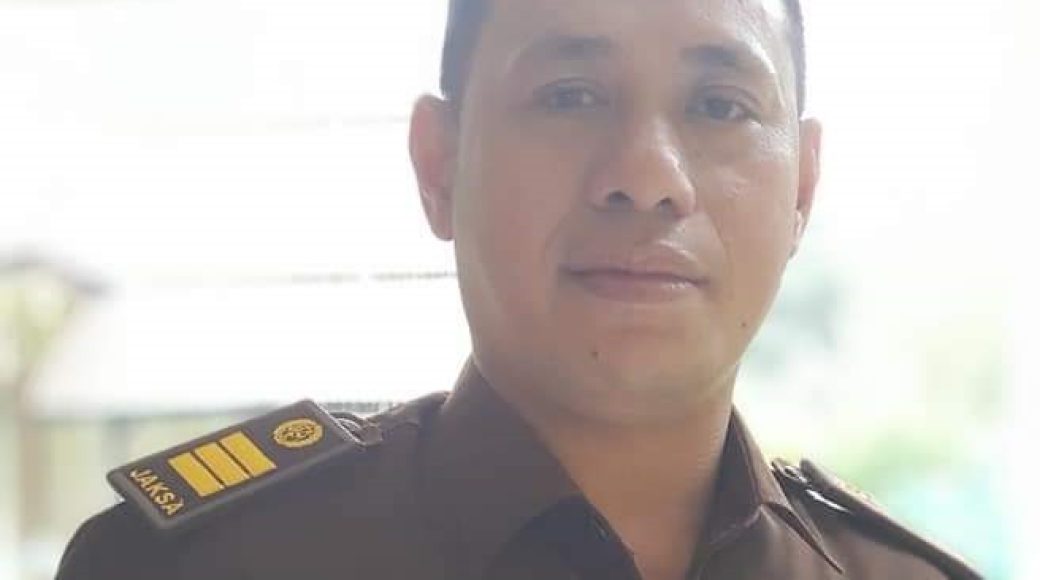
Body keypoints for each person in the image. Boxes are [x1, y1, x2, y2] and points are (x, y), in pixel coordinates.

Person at [56, 0, 983, 578]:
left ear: (803, 190)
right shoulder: (197, 564)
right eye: (570, 94)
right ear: (438, 165)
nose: (647, 177)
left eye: (719, 107)